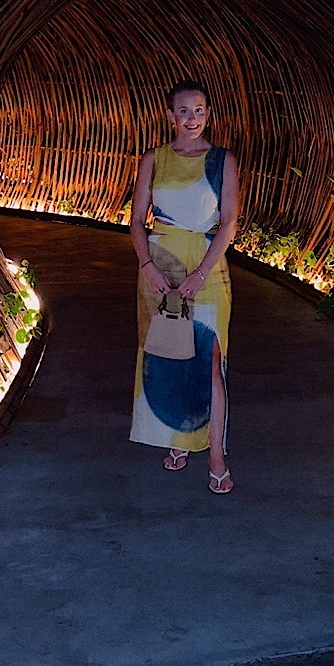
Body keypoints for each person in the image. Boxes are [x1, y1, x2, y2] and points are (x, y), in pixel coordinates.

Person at [129, 79, 240, 494]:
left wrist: (200, 274)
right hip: (160, 267)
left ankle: (215, 456)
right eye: (183, 110)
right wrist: (148, 266)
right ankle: (176, 440)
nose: (191, 118)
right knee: (169, 353)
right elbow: (137, 220)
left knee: (210, 360)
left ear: (208, 114)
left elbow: (228, 223)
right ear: (170, 115)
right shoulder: (153, 160)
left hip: (208, 267)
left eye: (199, 110)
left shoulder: (222, 161)